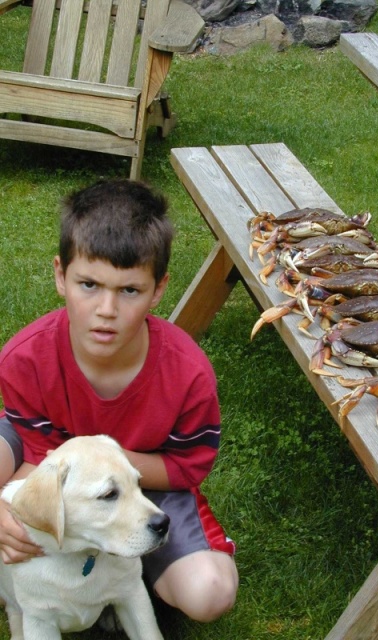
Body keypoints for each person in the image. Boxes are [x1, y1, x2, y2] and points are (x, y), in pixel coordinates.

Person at [0, 179, 238, 624]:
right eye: (88, 284)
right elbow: (36, 451)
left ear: (158, 289)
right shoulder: (23, 358)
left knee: (210, 593)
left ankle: (129, 560)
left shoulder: (188, 374)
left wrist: (104, 461)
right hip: (52, 460)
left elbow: (188, 466)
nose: (106, 309)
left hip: (145, 480)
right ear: (60, 274)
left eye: (129, 290)